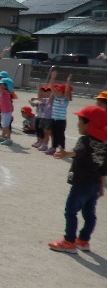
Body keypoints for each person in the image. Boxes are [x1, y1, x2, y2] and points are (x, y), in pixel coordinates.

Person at [47, 105, 106, 253]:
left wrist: (67, 154)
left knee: (70, 211)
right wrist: (101, 185)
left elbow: (78, 152)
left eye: (80, 121)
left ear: (89, 125)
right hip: (93, 185)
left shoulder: (84, 140)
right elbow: (104, 168)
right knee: (89, 213)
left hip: (81, 184)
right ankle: (84, 241)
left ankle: (69, 241)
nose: (78, 124)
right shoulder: (104, 145)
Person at [48, 71, 73, 155]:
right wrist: (52, 78)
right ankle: (53, 147)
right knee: (53, 133)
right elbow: (51, 87)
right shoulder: (55, 96)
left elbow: (66, 91)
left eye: (59, 90)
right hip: (54, 118)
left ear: (62, 92)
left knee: (60, 135)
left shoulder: (65, 99)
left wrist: (68, 81)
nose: (56, 91)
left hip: (61, 120)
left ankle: (61, 149)